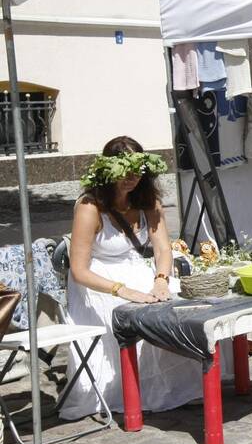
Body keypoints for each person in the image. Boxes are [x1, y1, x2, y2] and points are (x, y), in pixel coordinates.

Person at [63, 136, 212, 420]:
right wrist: (122, 290)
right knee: (131, 315)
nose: (132, 178)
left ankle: (180, 385)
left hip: (140, 271)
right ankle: (134, 389)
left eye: (138, 170)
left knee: (182, 308)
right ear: (108, 170)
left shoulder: (148, 200)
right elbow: (79, 271)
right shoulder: (89, 207)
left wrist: (161, 279)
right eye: (125, 171)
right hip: (100, 281)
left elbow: (163, 248)